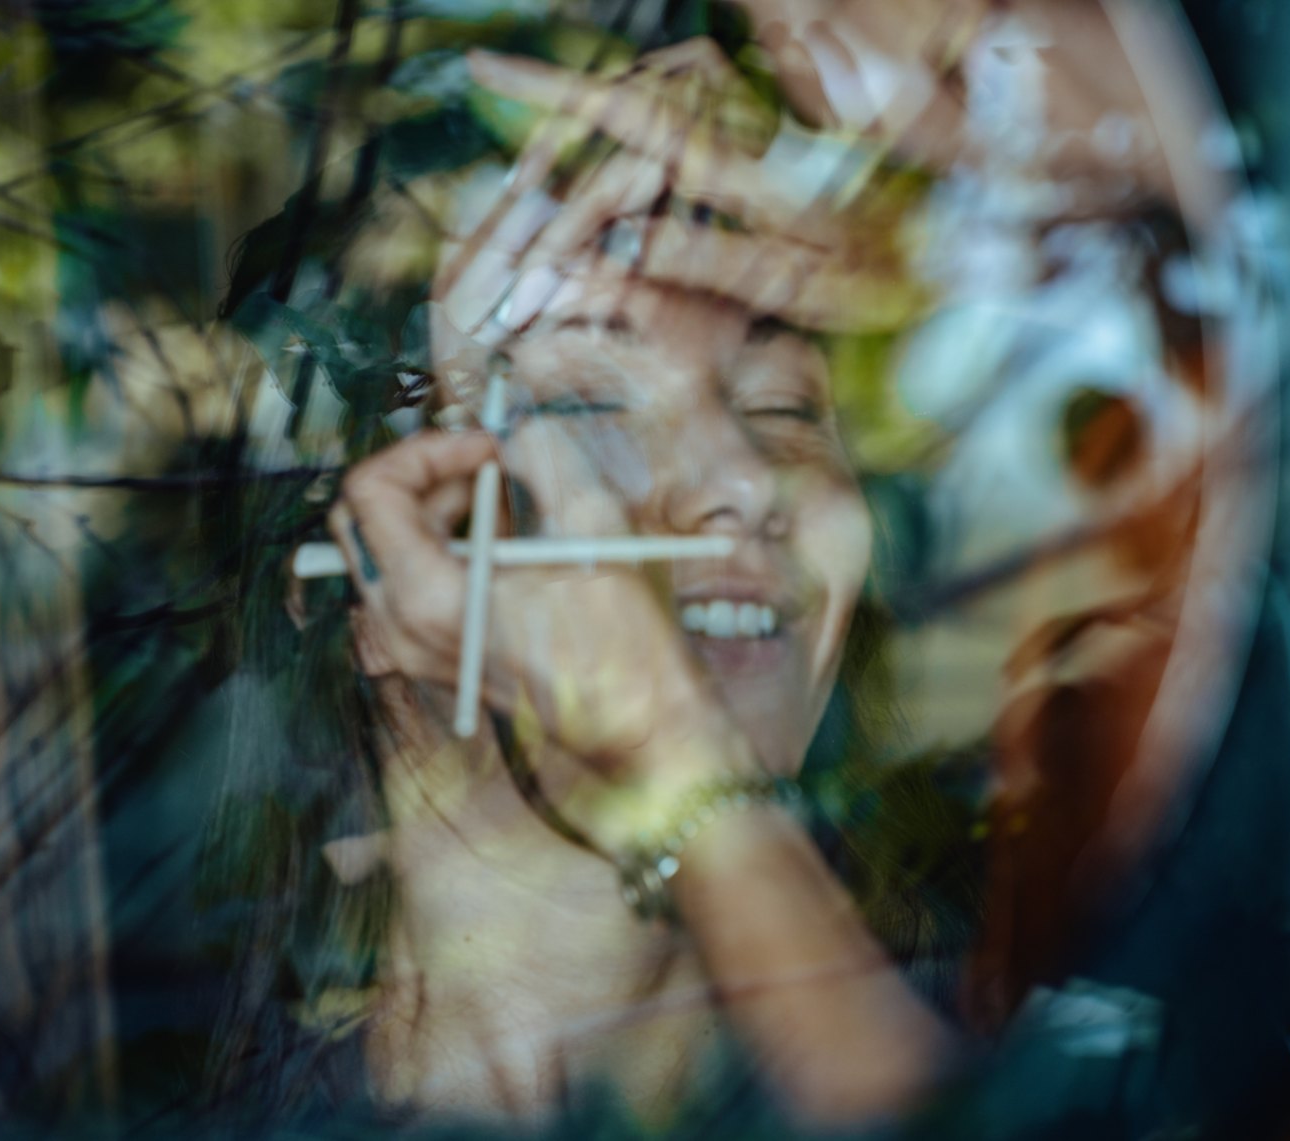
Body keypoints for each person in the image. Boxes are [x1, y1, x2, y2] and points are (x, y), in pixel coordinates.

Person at [197, 2, 1236, 1134]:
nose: (743, 480)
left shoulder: (1079, 1057)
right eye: (583, 406)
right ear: (354, 591)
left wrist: (1103, 209)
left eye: (784, 407)